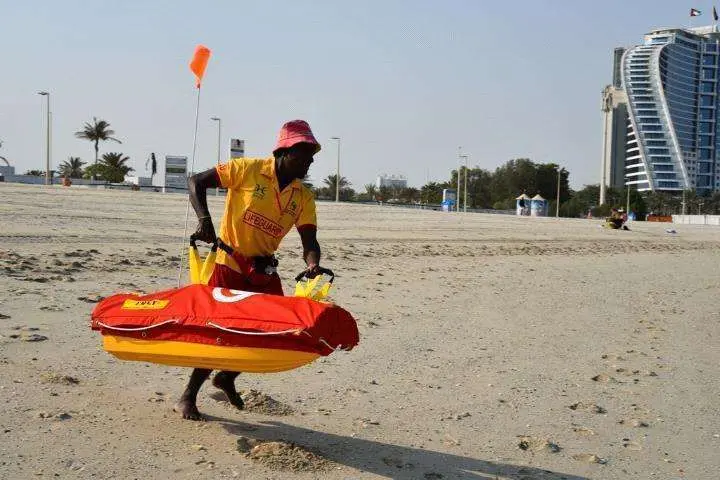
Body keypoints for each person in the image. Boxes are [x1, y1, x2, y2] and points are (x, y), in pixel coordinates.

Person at [175, 120, 323, 420]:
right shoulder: (248, 170)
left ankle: (227, 377)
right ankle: (188, 395)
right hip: (229, 263)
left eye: (312, 155)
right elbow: (195, 181)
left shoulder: (303, 196)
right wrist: (204, 220)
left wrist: (313, 265)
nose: (309, 161)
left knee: (273, 329)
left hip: (263, 269)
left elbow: (310, 239)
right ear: (284, 151)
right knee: (218, 332)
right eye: (304, 154)